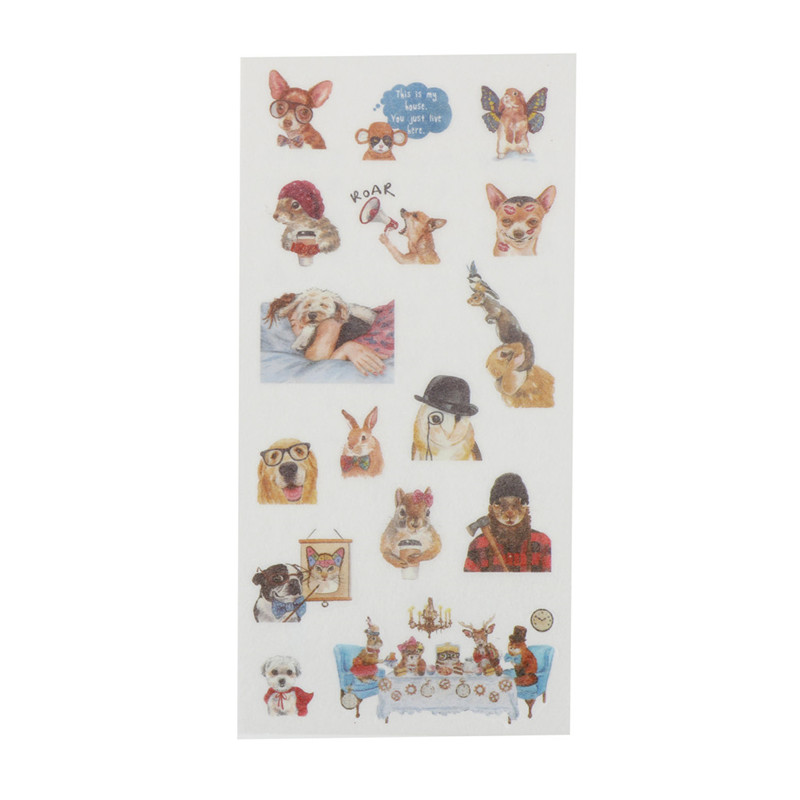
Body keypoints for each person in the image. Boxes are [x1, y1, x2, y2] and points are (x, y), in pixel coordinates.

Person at [464, 473, 551, 572]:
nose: (510, 512)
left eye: (520, 504)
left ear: (526, 508)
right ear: (491, 508)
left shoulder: (542, 542)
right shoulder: (478, 545)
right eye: (499, 504)